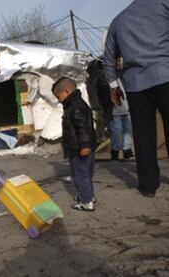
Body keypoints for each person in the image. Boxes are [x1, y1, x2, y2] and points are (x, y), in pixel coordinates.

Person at [103, 0, 169, 197]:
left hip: (136, 85)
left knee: (143, 136)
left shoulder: (118, 21)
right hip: (166, 74)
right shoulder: (162, 5)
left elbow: (108, 60)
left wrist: (114, 85)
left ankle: (149, 186)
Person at [52, 77, 97, 211]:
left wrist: (85, 145)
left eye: (58, 96)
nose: (58, 100)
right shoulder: (76, 104)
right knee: (85, 174)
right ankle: (89, 196)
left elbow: (82, 127)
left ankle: (86, 202)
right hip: (81, 147)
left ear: (66, 92)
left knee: (80, 175)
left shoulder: (75, 107)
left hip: (79, 148)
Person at [96, 59, 134, 161]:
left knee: (128, 129)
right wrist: (108, 105)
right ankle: (115, 152)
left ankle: (127, 151)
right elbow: (101, 96)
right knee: (116, 132)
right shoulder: (102, 80)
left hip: (127, 107)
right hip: (114, 110)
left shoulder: (121, 75)